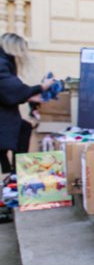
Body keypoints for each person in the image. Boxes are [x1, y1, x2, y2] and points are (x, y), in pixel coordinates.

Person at [0, 33, 54, 173]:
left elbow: (8, 91)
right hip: (4, 119)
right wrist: (42, 87)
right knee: (21, 131)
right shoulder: (2, 62)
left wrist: (29, 97)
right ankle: (16, 174)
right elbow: (12, 89)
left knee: (21, 130)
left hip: (5, 116)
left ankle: (12, 174)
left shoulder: (3, 61)